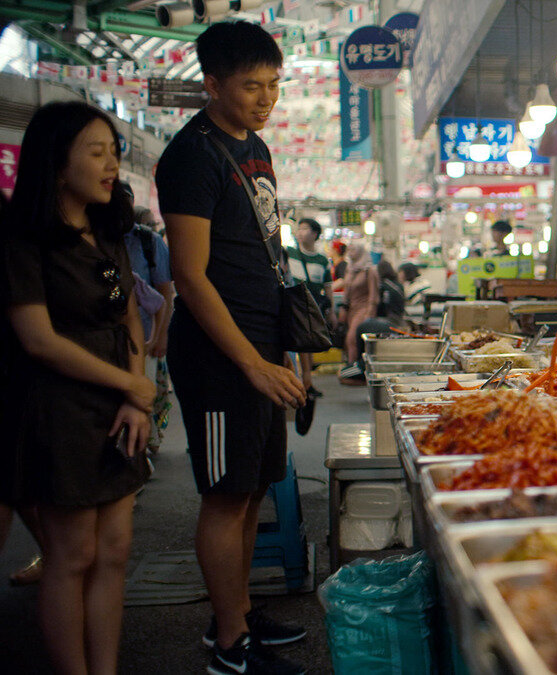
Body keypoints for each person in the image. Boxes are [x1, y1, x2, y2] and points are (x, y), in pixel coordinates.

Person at [155, 21, 307, 675]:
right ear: (212, 84)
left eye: (273, 85)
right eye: (251, 86)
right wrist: (248, 360)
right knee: (224, 495)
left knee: (250, 491)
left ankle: (238, 614)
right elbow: (189, 275)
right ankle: (227, 646)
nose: (265, 98)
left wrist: (288, 349)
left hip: (264, 346)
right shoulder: (192, 155)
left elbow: (267, 256)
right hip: (221, 357)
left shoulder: (255, 148)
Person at [1, 101, 152, 675]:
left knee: (112, 554)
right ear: (55, 163)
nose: (112, 163)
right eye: (97, 152)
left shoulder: (108, 228)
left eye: (114, 151)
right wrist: (131, 386)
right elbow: (38, 340)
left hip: (118, 405)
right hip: (58, 408)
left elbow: (130, 317)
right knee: (72, 555)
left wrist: (135, 393)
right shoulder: (24, 240)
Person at [125, 203, 175, 454]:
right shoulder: (93, 239)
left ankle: (142, 450)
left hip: (142, 341)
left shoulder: (148, 242)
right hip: (121, 344)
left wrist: (159, 336)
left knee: (142, 397)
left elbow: (161, 298)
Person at [285, 217, 332, 398]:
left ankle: (308, 381)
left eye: (304, 229)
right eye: (299, 229)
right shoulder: (290, 253)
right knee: (304, 342)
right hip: (297, 304)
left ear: (315, 234)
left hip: (315, 307)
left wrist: (331, 312)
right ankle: (306, 382)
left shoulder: (322, 260)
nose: (300, 232)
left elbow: (327, 286)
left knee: (311, 342)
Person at [339, 241, 378, 374]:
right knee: (350, 340)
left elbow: (373, 294)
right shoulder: (349, 269)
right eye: (349, 250)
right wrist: (343, 308)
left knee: (352, 339)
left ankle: (354, 370)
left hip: (363, 309)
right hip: (351, 310)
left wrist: (369, 314)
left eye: (353, 249)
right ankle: (353, 368)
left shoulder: (369, 270)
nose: (350, 252)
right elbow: (346, 291)